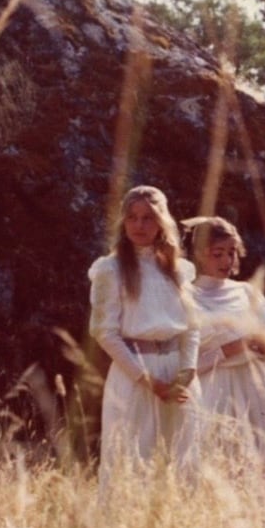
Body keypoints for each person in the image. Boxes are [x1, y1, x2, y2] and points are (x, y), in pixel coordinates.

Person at [88, 185, 201, 491]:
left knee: (180, 462)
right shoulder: (110, 270)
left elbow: (192, 327)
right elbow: (104, 332)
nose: (139, 225)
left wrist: (187, 371)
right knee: (134, 460)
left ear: (162, 222)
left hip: (178, 375)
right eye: (132, 218)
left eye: (148, 218)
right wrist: (147, 379)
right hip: (135, 375)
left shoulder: (177, 269)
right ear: (123, 222)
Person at [181, 216, 265, 472]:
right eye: (217, 253)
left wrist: (263, 345)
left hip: (255, 388)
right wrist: (231, 348)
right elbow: (186, 363)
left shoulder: (246, 291)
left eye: (231, 252)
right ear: (199, 254)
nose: (226, 261)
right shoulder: (187, 295)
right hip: (212, 391)